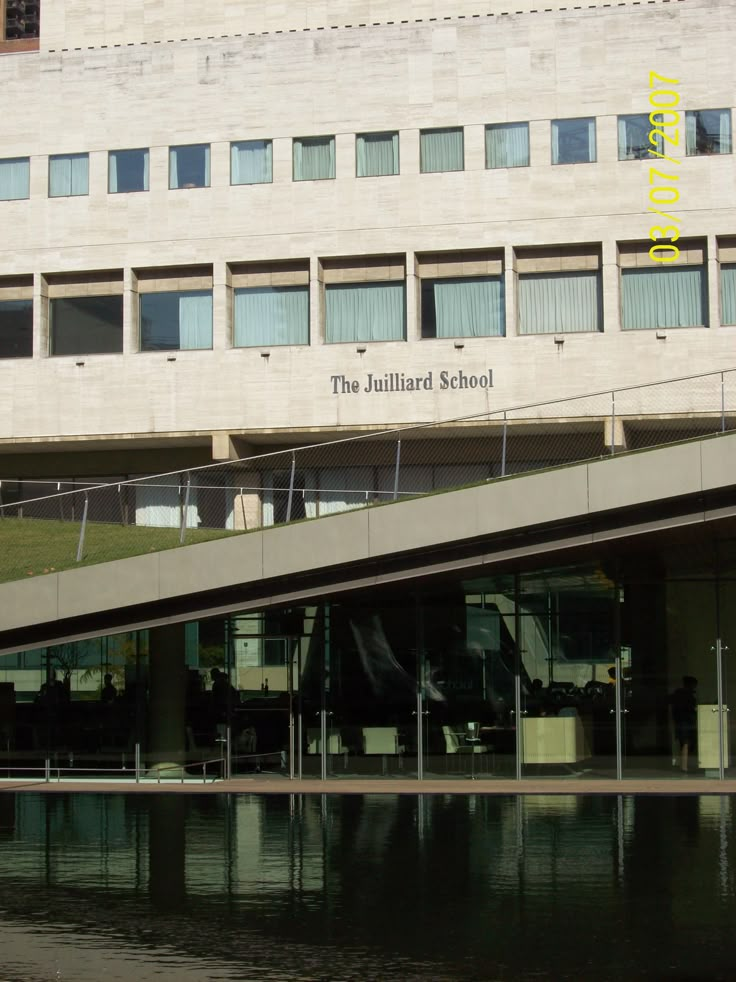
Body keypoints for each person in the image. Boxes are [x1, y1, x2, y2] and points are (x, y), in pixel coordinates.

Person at [670, 675, 698, 773]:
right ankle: (684, 766)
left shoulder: (678, 694)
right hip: (686, 721)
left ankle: (683, 764)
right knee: (687, 743)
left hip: (680, 721)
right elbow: (691, 708)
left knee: (684, 743)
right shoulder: (688, 695)